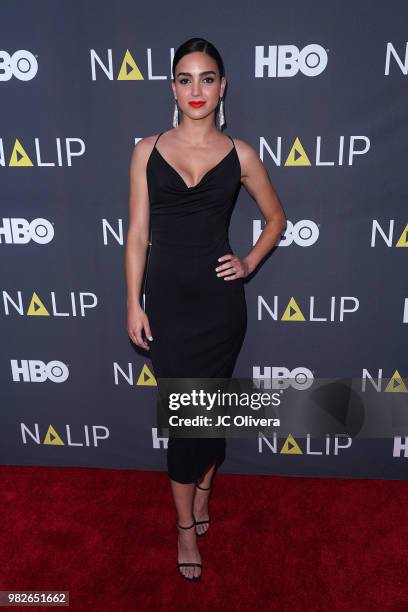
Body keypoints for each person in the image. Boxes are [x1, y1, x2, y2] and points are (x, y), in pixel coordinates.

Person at [125, 37, 286, 581]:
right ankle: (185, 530)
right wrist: (133, 301)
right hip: (168, 307)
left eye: (208, 78)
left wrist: (248, 263)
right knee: (182, 422)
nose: (197, 89)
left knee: (209, 414)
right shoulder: (146, 150)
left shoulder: (241, 154)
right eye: (186, 78)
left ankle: (204, 491)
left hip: (220, 310)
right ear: (173, 86)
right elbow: (138, 235)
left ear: (223, 86)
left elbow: (276, 220)